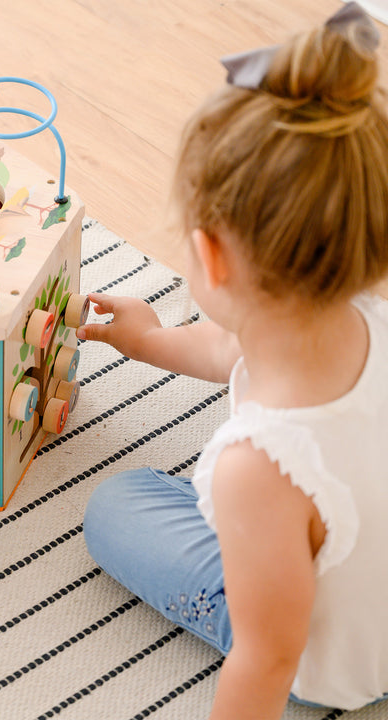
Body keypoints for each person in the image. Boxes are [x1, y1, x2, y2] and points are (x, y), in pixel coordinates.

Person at [77, 3, 388, 718]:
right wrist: (148, 340)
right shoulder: (367, 313)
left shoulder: (256, 466)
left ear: (210, 256)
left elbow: (269, 657)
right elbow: (236, 350)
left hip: (329, 662)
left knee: (116, 507)